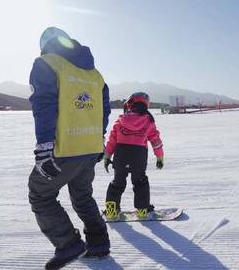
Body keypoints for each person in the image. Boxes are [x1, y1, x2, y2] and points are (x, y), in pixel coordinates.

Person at [28, 27, 111, 270]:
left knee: (40, 196)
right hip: (89, 148)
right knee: (83, 197)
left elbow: (43, 106)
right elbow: (104, 111)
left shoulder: (46, 63)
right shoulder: (95, 75)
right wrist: (100, 141)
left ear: (45, 45)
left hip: (63, 148)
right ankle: (98, 245)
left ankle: (68, 244)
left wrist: (44, 147)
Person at [103, 92, 164, 220]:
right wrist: (160, 157)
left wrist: (107, 156)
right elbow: (155, 141)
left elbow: (112, 140)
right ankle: (143, 210)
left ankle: (111, 211)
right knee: (140, 181)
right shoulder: (148, 121)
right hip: (138, 156)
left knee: (117, 183)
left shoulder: (120, 121)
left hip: (121, 155)